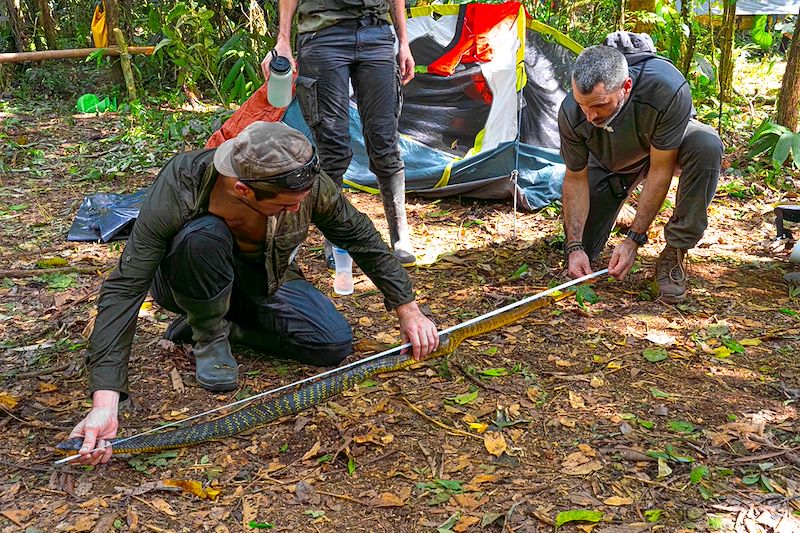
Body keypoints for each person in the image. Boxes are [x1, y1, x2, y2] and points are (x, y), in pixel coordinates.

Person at [68, 121, 439, 465]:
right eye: (284, 204)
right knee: (203, 237)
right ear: (243, 189)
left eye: (301, 200)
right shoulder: (183, 180)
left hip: (266, 276)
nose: (297, 209)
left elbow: (359, 235)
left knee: (332, 344)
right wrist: (106, 398)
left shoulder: (305, 182)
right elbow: (126, 285)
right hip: (189, 273)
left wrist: (407, 308)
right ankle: (208, 335)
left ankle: (226, 326)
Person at [559, 32, 723, 303]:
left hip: (664, 147)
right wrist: (574, 246)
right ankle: (598, 226)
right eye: (582, 105)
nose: (590, 116)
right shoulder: (571, 112)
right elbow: (575, 178)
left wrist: (633, 239)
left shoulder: (666, 88)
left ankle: (675, 252)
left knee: (706, 145)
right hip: (613, 160)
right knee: (584, 247)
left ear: (626, 86)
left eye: (599, 105)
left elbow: (661, 169)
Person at [261, 0, 417, 268]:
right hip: (323, 34)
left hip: (376, 33)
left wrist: (404, 42)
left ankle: (400, 236)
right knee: (332, 148)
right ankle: (337, 236)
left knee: (385, 142)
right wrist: (283, 40)